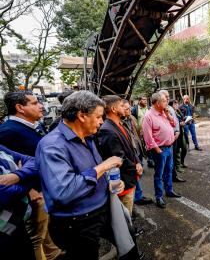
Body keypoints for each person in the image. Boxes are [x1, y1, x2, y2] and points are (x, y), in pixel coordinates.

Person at [35, 91, 139, 259]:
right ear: (81, 115)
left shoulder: (89, 138)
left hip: (103, 209)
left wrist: (109, 182)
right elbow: (64, 192)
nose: (102, 121)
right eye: (98, 117)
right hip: (77, 222)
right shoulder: (52, 145)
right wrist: (103, 166)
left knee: (128, 244)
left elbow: (92, 173)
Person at [0, 90, 62, 260]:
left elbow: (33, 160)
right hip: (31, 195)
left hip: (44, 188)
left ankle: (54, 254)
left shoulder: (36, 126)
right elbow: (6, 169)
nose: (41, 106)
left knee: (46, 230)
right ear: (20, 107)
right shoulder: (7, 131)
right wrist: (29, 190)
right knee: (35, 238)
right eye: (34, 103)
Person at [96, 95, 144, 215]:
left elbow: (131, 148)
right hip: (123, 180)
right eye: (122, 106)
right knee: (124, 214)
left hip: (130, 176)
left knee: (129, 209)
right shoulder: (107, 130)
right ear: (113, 109)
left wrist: (137, 161)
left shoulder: (120, 124)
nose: (125, 108)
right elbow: (117, 157)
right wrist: (135, 167)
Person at [142, 93, 181, 209]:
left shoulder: (164, 112)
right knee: (159, 174)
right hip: (160, 150)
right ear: (158, 103)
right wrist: (158, 150)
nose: (167, 103)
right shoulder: (148, 116)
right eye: (164, 101)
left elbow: (174, 124)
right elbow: (148, 138)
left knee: (169, 171)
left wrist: (169, 115)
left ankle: (169, 190)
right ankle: (159, 196)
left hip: (169, 148)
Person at [0, 145, 37, 260]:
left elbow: (34, 161)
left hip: (15, 221)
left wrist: (17, 175)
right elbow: (6, 194)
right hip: (2, 228)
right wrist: (28, 179)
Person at [122, 100, 153, 206]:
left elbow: (137, 131)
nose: (129, 110)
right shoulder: (120, 122)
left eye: (129, 108)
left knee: (138, 174)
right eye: (126, 109)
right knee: (133, 173)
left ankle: (138, 195)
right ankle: (136, 197)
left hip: (137, 150)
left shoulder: (131, 118)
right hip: (131, 152)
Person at [159, 90, 186, 183]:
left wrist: (177, 131)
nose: (168, 98)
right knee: (167, 161)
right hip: (169, 139)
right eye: (165, 97)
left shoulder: (169, 108)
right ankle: (167, 179)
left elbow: (174, 122)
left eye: (168, 96)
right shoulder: (160, 110)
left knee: (173, 158)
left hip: (175, 136)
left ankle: (173, 176)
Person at [132, 96, 155, 168]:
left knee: (149, 146)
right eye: (144, 100)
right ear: (139, 101)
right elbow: (133, 120)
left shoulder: (149, 108)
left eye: (146, 100)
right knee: (140, 147)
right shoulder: (135, 109)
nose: (145, 101)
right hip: (139, 133)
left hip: (149, 132)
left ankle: (150, 161)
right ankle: (140, 163)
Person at [169, 99, 187, 182]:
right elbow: (172, 123)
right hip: (175, 134)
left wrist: (186, 119)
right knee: (175, 152)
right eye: (175, 103)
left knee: (183, 148)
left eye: (177, 103)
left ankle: (179, 166)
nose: (177, 105)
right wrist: (179, 124)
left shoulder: (177, 111)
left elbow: (181, 119)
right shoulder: (169, 110)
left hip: (180, 132)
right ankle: (175, 170)